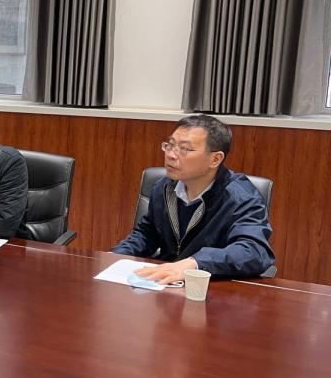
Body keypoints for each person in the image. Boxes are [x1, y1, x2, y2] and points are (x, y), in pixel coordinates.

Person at [113, 114, 274, 282]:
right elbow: (147, 234)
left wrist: (194, 263)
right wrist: (115, 257)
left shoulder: (241, 197)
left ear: (215, 159)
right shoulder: (163, 187)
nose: (171, 155)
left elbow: (254, 251)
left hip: (209, 287)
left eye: (184, 149)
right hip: (165, 283)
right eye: (170, 145)